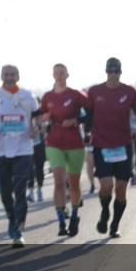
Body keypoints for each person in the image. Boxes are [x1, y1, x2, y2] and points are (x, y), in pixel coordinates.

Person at [83, 58, 136, 238]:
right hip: (102, 145)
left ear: (120, 72)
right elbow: (88, 116)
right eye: (110, 71)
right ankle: (104, 212)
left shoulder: (130, 91)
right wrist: (87, 132)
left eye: (116, 71)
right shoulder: (95, 92)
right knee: (107, 185)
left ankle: (115, 224)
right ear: (106, 72)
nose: (113, 74)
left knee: (121, 189)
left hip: (124, 145)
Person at [0, 65, 38, 248]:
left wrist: (36, 128)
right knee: (6, 191)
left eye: (12, 74)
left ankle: (19, 230)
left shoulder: (27, 95)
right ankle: (11, 217)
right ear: (1, 76)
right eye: (6, 74)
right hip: (0, 149)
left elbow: (37, 117)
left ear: (18, 76)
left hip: (24, 148)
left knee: (20, 189)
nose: (9, 77)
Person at [38, 64, 87, 237]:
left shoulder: (75, 94)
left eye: (62, 73)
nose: (59, 76)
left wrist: (76, 119)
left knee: (73, 184)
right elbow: (39, 116)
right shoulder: (47, 97)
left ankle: (74, 216)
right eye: (56, 73)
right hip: (54, 143)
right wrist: (43, 118)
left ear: (67, 74)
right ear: (52, 75)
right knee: (59, 182)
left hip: (74, 144)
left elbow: (92, 112)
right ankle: (61, 222)